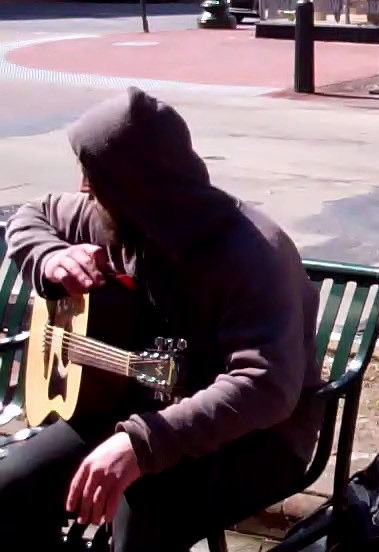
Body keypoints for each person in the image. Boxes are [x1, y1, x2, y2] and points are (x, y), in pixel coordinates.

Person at [0, 87, 322, 551]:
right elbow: (34, 215)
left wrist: (142, 443)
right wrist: (50, 257)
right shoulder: (113, 217)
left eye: (96, 180)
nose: (84, 191)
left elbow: (264, 386)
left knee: (145, 510)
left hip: (255, 438)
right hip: (134, 407)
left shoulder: (252, 254)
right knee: (12, 487)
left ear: (137, 189)